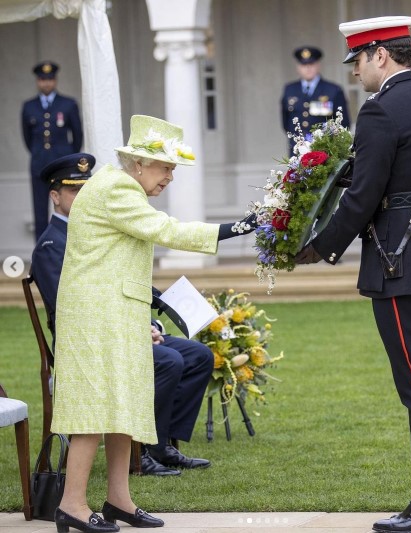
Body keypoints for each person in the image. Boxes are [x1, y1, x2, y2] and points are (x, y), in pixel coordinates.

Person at [295, 16, 411, 533]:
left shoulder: (379, 112)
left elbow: (364, 196)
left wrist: (316, 247)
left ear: (381, 55)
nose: (354, 72)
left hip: (403, 260)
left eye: (358, 60)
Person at [50, 115, 257, 533]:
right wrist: (239, 228)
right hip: (97, 315)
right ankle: (71, 504)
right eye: (166, 168)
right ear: (139, 164)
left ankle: (118, 500)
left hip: (112, 311)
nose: (170, 178)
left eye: (173, 170)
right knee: (95, 408)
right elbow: (167, 230)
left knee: (125, 403)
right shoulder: (118, 189)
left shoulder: (118, 186)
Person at [31, 153, 213, 479]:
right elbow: (70, 303)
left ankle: (161, 443)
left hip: (124, 324)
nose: (84, 195)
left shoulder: (103, 221)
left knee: (198, 354)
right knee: (169, 361)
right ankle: (141, 452)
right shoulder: (51, 243)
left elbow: (119, 277)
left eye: (85, 188)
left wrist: (151, 323)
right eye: (74, 191)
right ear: (55, 196)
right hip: (90, 338)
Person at [21, 61, 83, 241]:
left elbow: (77, 136)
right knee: (39, 210)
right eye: (42, 79)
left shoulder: (68, 104)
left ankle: (69, 247)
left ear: (55, 80)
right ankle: (42, 252)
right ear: (37, 81)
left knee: (69, 206)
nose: (46, 83)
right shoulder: (29, 106)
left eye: (49, 79)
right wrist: (38, 154)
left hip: (63, 166)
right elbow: (27, 138)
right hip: (39, 165)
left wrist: (69, 159)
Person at [281, 46, 351, 154]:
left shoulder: (333, 90)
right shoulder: (289, 90)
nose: (308, 68)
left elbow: (343, 123)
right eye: (304, 65)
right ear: (298, 67)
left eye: (311, 64)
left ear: (318, 65)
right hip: (297, 151)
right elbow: (286, 123)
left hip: (324, 151)